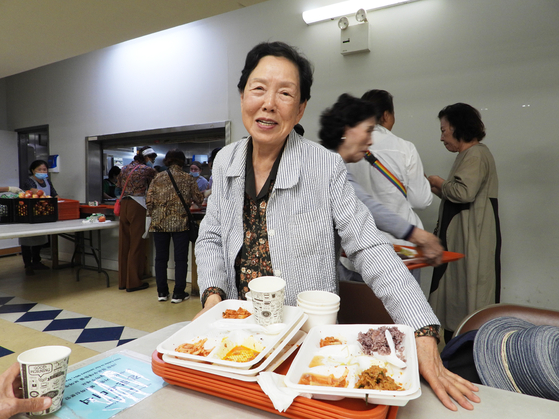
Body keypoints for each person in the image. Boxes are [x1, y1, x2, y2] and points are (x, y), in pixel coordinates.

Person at [195, 41, 479, 411]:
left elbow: (368, 246)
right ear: (242, 94)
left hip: (305, 344)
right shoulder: (225, 161)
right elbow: (212, 236)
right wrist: (213, 296)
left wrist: (422, 331)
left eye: (285, 93)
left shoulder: (324, 166)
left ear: (300, 109)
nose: (269, 103)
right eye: (259, 88)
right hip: (237, 336)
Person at [318, 93, 443, 277]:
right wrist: (417, 234)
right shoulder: (327, 164)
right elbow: (366, 204)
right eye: (368, 130)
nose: (370, 141)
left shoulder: (329, 160)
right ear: (347, 129)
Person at [427, 103, 501, 343]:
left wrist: (440, 181)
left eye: (444, 130)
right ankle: (454, 343)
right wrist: (439, 188)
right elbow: (457, 196)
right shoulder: (468, 154)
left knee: (470, 293)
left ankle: (465, 349)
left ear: (458, 128)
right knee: (456, 292)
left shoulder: (476, 153)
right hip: (463, 238)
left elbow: (464, 193)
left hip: (472, 240)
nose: (441, 137)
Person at [347, 89, 433, 283]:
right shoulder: (404, 148)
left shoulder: (345, 149)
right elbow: (421, 200)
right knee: (404, 309)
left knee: (359, 310)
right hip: (400, 248)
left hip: (359, 248)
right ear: (386, 115)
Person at [146, 150, 204, 303]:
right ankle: (178, 293)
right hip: (181, 224)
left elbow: (149, 201)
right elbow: (199, 199)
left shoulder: (157, 177)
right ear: (182, 161)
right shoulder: (188, 178)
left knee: (160, 259)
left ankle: (162, 293)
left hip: (159, 224)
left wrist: (155, 214)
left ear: (167, 161)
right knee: (180, 260)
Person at [116, 146, 157, 292]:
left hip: (124, 205)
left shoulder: (124, 168)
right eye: (152, 158)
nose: (152, 161)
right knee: (136, 244)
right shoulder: (148, 170)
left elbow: (119, 185)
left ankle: (122, 281)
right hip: (138, 205)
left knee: (124, 244)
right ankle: (133, 282)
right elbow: (156, 186)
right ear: (147, 158)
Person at [19, 160, 60, 276]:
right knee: (27, 239)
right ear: (33, 170)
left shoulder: (47, 181)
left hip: (42, 214)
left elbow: (54, 193)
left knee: (40, 238)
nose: (42, 172)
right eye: (39, 170)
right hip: (28, 214)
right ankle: (28, 265)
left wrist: (60, 201)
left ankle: (37, 261)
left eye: (44, 170)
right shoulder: (29, 181)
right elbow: (35, 191)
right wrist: (48, 197)